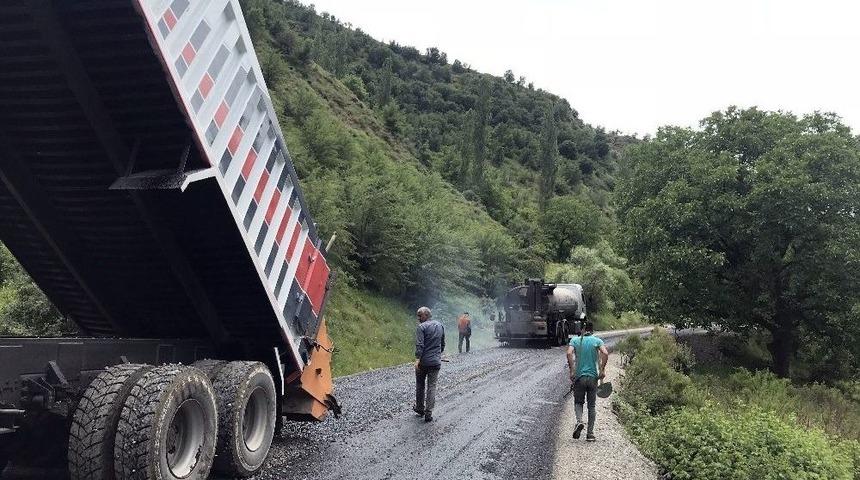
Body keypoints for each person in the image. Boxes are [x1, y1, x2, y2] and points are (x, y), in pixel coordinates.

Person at [566, 320, 609, 442]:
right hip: (593, 377)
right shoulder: (597, 341)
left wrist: (572, 370)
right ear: (592, 330)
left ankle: (579, 421)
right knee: (591, 406)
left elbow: (569, 353)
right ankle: (590, 434)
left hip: (580, 377)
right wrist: (602, 370)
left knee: (578, 402)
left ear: (582, 329)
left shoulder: (575, 340)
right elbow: (605, 353)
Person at [414, 306, 445, 422]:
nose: (418, 318)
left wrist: (417, 360)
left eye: (419, 315)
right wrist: (437, 355)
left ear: (426, 315)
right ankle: (428, 413)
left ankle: (420, 408)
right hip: (436, 362)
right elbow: (442, 344)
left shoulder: (421, 327)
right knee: (432, 386)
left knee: (420, 385)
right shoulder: (440, 326)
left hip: (423, 362)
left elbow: (420, 346)